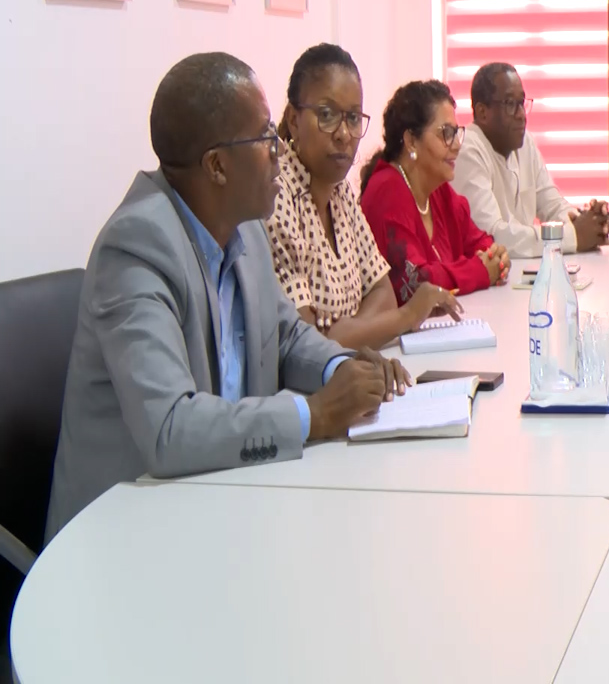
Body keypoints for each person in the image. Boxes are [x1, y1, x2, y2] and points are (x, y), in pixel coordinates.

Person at [46, 53, 409, 541]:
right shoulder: (136, 248)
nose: (280, 149)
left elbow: (285, 334)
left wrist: (340, 368)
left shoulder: (246, 229)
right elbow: (170, 428)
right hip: (125, 539)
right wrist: (316, 414)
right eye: (264, 137)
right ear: (217, 165)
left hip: (223, 505)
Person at [266, 44, 463, 348]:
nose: (344, 134)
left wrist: (347, 332)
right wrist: (406, 316)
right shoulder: (277, 192)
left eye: (354, 118)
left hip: (353, 369)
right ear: (293, 120)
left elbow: (382, 292)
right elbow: (305, 344)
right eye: (327, 115)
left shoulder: (341, 192)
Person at [359, 80, 510, 299]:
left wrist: (498, 257)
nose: (457, 145)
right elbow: (414, 283)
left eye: (457, 133)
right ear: (411, 141)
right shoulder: (386, 191)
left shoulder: (437, 190)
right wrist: (481, 271)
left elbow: (482, 244)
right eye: (446, 133)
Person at [454, 63, 609, 257]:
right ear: (482, 112)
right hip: (490, 283)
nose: (521, 115)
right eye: (510, 104)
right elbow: (491, 236)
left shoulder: (524, 142)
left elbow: (552, 204)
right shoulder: (467, 150)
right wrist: (573, 236)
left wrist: (588, 222)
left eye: (521, 103)